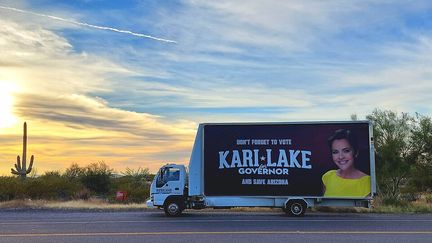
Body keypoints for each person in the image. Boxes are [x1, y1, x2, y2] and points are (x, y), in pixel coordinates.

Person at [322, 129, 370, 197]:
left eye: (346, 151)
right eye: (335, 152)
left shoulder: (367, 182)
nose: (340, 157)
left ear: (356, 152)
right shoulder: (327, 177)